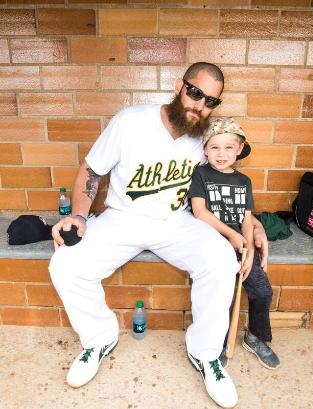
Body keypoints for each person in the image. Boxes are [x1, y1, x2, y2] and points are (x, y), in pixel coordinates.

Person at [49, 62, 267, 408]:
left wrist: (252, 225)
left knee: (220, 260)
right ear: (179, 86)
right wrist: (78, 215)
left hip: (177, 221)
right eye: (195, 93)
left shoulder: (206, 136)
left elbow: (231, 179)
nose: (199, 105)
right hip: (123, 218)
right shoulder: (131, 121)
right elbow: (92, 170)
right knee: (65, 263)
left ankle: (206, 353)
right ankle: (98, 339)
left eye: (211, 101)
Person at [188, 117, 280, 371]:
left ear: (239, 149)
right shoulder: (201, 174)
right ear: (205, 150)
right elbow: (199, 211)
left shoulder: (244, 182)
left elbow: (247, 219)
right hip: (213, 245)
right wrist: (230, 234)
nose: (221, 154)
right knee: (223, 296)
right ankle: (217, 342)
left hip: (240, 246)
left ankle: (255, 337)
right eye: (214, 147)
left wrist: (249, 251)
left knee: (262, 291)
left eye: (229, 147)